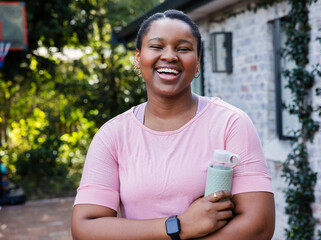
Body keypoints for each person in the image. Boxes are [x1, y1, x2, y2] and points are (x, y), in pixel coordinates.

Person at [71, 9, 275, 240]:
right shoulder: (113, 135)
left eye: (183, 48)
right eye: (157, 47)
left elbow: (260, 225)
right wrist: (178, 226)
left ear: (197, 63)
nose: (169, 56)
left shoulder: (230, 123)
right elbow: (85, 228)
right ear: (138, 59)